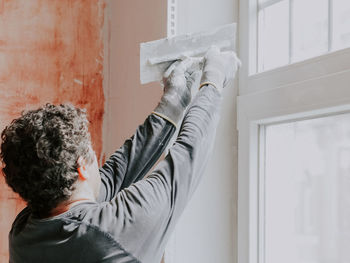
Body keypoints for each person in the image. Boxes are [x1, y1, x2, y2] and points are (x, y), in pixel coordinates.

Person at [1, 47, 240, 263]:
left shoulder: (23, 233)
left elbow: (114, 176)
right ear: (82, 166)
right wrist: (214, 80)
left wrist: (172, 104)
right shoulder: (117, 229)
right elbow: (186, 157)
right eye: (92, 155)